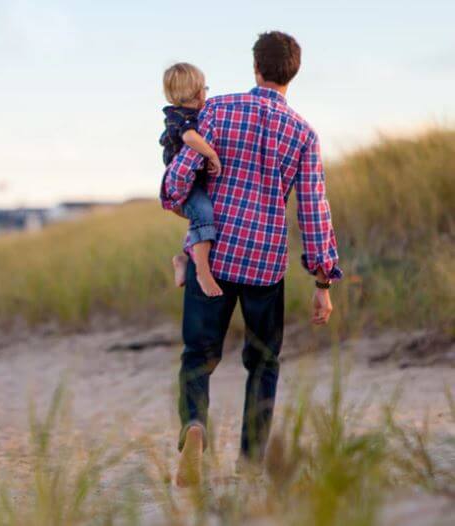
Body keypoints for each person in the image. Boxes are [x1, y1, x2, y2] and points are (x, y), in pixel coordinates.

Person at [160, 31, 342, 487]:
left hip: (215, 257)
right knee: (263, 363)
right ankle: (250, 463)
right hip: (265, 266)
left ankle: (195, 426)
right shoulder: (303, 133)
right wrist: (322, 283)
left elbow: (179, 177)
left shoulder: (217, 109)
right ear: (292, 73)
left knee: (197, 357)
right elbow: (314, 210)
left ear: (256, 67)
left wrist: (177, 199)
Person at [159, 63, 223, 297]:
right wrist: (211, 153)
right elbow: (190, 138)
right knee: (204, 213)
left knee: (201, 218)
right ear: (198, 93)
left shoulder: (189, 114)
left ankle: (184, 260)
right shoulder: (182, 118)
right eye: (205, 88)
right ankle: (202, 273)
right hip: (185, 185)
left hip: (194, 181)